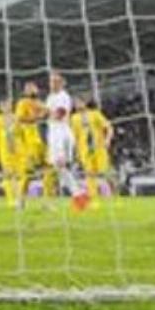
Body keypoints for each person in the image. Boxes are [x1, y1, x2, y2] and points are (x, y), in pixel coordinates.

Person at [43, 73, 90, 212]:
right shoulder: (50, 97)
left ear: (62, 83)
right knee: (58, 168)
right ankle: (79, 195)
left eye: (56, 81)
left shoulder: (64, 97)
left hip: (61, 134)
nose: (53, 84)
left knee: (58, 167)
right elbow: (45, 115)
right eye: (51, 81)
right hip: (53, 134)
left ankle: (76, 196)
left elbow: (59, 115)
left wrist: (43, 110)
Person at [72, 98, 114, 203]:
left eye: (79, 102)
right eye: (75, 103)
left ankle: (111, 194)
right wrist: (76, 151)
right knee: (89, 174)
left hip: (99, 148)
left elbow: (109, 127)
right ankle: (93, 197)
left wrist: (107, 139)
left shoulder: (95, 114)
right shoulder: (74, 118)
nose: (77, 104)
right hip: (84, 150)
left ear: (85, 103)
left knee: (105, 172)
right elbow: (74, 136)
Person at [0, 96, 28, 208]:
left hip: (19, 151)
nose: (6, 107)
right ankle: (11, 200)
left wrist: (28, 150)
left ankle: (20, 197)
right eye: (3, 105)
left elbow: (24, 135)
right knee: (8, 176)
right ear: (0, 107)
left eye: (8, 104)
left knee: (22, 176)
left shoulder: (17, 118)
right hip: (5, 152)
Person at [15, 82, 50, 197]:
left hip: (43, 140)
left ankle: (47, 200)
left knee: (49, 168)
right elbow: (20, 118)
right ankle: (21, 200)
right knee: (28, 172)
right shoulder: (23, 103)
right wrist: (38, 117)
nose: (32, 91)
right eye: (29, 89)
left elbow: (48, 113)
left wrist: (47, 113)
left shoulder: (41, 103)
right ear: (25, 92)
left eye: (34, 88)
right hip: (30, 142)